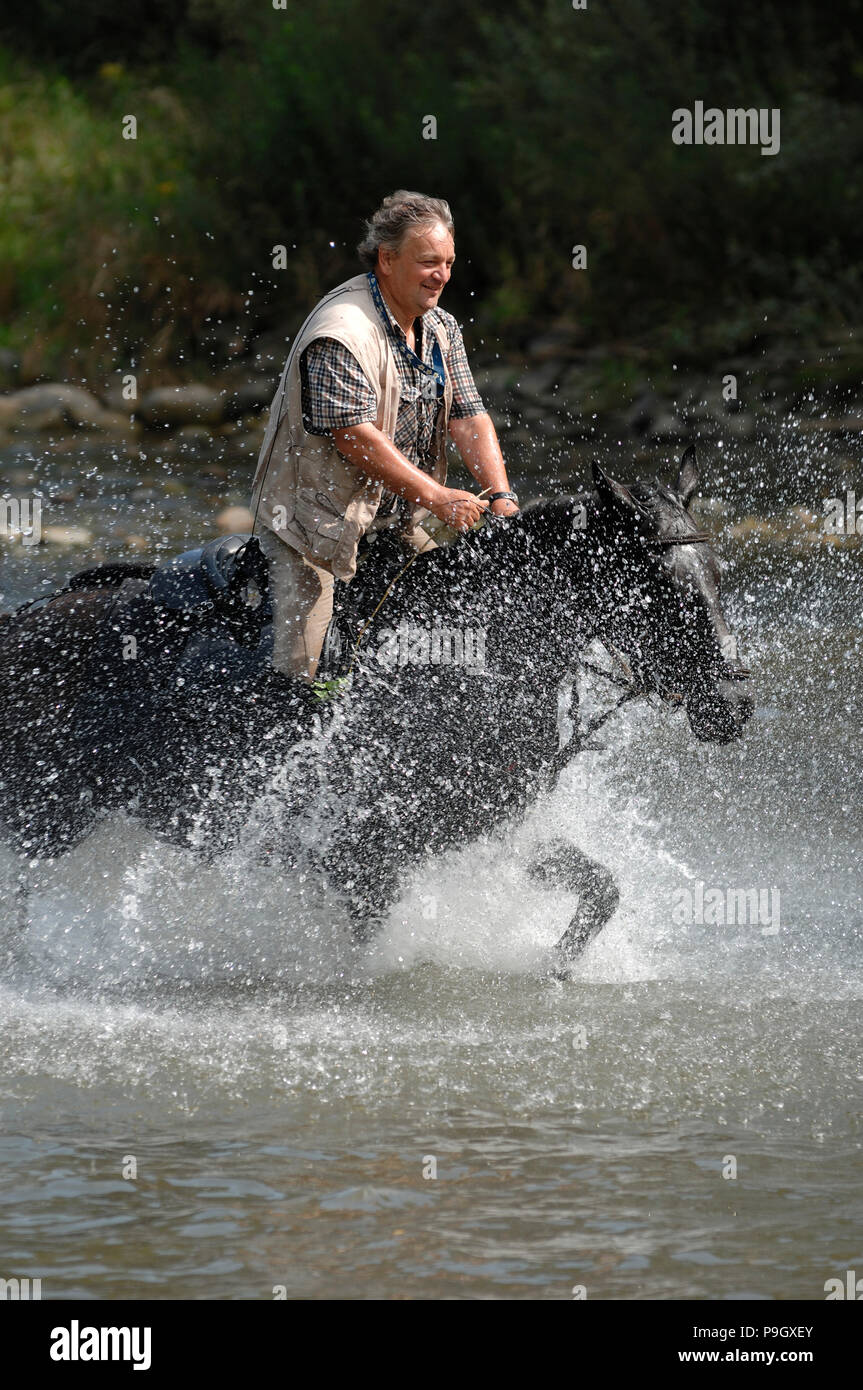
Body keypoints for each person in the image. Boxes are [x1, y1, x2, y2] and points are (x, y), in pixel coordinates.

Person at [250, 189, 520, 681]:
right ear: (387, 258)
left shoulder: (441, 329)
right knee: (303, 671)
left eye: (449, 263)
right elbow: (355, 437)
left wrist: (501, 498)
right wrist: (439, 497)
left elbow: (469, 416)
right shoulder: (342, 330)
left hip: (393, 525)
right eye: (428, 262)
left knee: (466, 634)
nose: (441, 275)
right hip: (313, 532)